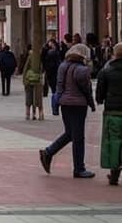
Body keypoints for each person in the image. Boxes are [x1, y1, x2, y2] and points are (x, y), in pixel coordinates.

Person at [39, 42, 96, 179]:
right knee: (78, 137)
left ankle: (48, 152)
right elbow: (87, 89)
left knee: (70, 133)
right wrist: (91, 103)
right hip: (77, 105)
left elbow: (59, 86)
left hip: (64, 103)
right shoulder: (82, 69)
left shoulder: (62, 66)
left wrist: (57, 103)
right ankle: (79, 168)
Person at [96, 41, 122, 185]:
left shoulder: (106, 71)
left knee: (113, 142)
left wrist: (101, 100)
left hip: (112, 111)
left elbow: (99, 95)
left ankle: (114, 175)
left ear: (114, 54)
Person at [20, 45, 44, 120]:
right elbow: (42, 69)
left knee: (29, 97)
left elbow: (25, 69)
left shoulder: (30, 57)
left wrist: (24, 80)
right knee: (37, 98)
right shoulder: (40, 58)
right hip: (37, 80)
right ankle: (39, 114)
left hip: (29, 80)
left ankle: (28, 114)